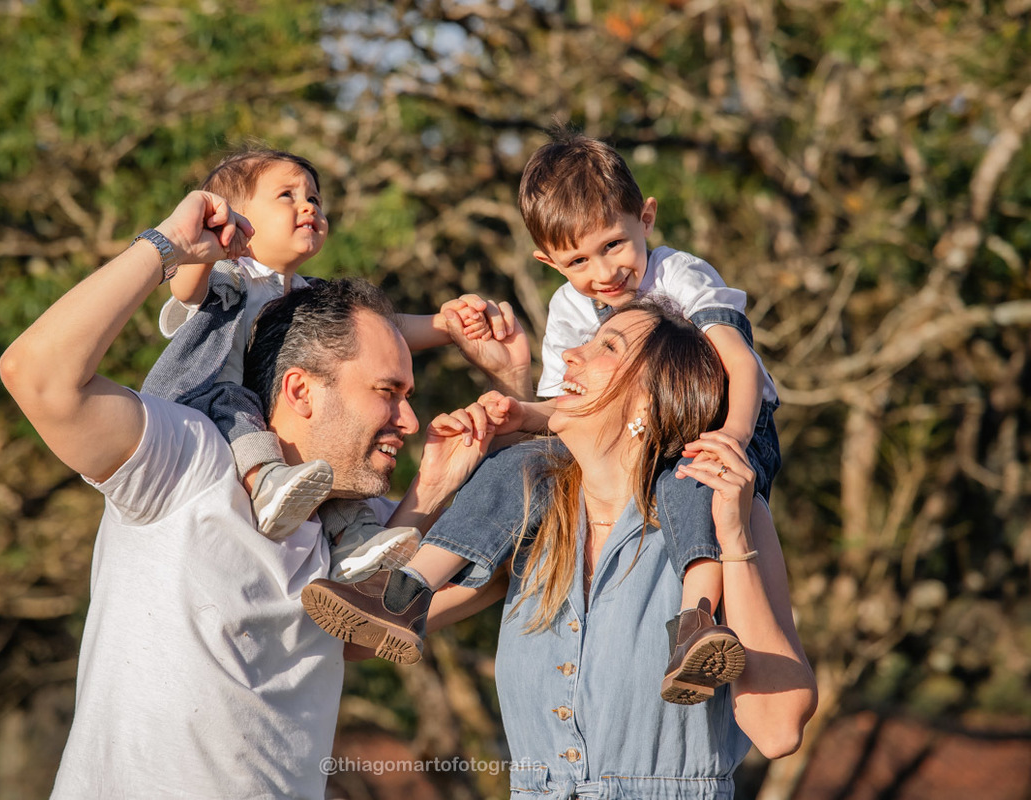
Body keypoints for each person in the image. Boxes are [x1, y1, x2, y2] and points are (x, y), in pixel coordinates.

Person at [0, 191, 485, 798]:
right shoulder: (189, 459)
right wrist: (168, 246)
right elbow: (35, 375)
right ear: (300, 391)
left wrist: (448, 469)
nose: (410, 421)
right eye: (388, 392)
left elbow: (468, 578)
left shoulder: (356, 530)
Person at [302, 131, 780, 705]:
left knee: (692, 484)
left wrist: (732, 436)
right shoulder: (570, 307)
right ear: (548, 262)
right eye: (578, 260)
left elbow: (738, 363)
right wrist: (521, 411)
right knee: (519, 467)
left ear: (646, 219)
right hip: (627, 439)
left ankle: (695, 622)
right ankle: (404, 591)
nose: (604, 271)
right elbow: (567, 405)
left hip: (726, 417)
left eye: (614, 245)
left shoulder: (679, 275)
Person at [326, 302, 818, 797]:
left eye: (608, 346)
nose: (570, 354)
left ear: (650, 401)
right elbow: (355, 639)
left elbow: (778, 732)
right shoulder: (531, 522)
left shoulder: (720, 514)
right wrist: (433, 488)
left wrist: (735, 543)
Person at [141, 146, 503, 581]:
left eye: (314, 198)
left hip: (279, 417)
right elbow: (184, 289)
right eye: (287, 196)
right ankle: (264, 482)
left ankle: (355, 541)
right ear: (232, 218)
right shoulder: (227, 276)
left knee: (331, 462)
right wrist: (204, 245)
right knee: (237, 404)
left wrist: (445, 325)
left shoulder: (309, 294)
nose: (309, 205)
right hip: (218, 406)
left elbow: (382, 333)